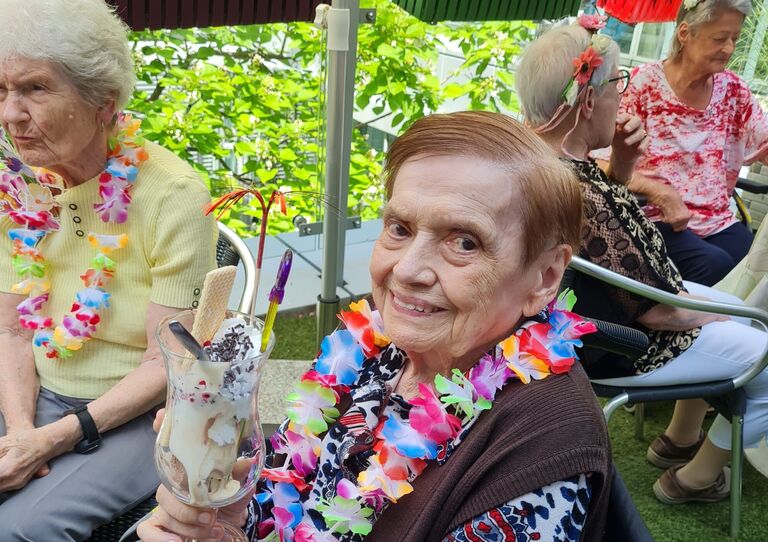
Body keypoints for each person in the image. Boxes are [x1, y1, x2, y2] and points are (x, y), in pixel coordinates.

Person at [137, 111, 612, 541]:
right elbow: (283, 493)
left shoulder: (542, 447)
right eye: (400, 228)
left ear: (544, 277)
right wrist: (230, 525)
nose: (407, 270)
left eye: (464, 242)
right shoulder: (373, 345)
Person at [517, 17, 768, 505]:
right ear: (588, 101)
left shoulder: (541, 160)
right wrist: (725, 314)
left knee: (737, 313)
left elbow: (610, 252)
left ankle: (677, 437)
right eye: (618, 84)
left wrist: (625, 165)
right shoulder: (577, 189)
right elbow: (660, 312)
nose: (624, 96)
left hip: (596, 317)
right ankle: (694, 479)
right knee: (765, 348)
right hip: (623, 340)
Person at [0, 0, 217, 538]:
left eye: (34, 88)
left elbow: (166, 361)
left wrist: (51, 440)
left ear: (103, 102)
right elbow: (10, 328)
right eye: (1, 91)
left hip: (142, 414)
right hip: (34, 391)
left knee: (21, 530)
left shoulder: (174, 196)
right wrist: (23, 429)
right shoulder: (20, 188)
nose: (10, 114)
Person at [592, 0, 768, 286]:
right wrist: (660, 192)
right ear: (685, 34)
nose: (730, 49)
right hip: (652, 217)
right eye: (720, 38)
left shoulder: (734, 90)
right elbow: (597, 160)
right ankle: (680, 330)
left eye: (734, 38)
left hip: (716, 220)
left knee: (757, 266)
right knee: (715, 266)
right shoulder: (643, 84)